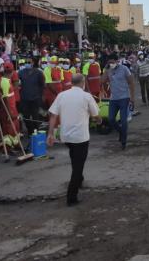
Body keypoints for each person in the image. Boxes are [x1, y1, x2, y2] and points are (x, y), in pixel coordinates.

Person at [47, 74, 101, 206]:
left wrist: (50, 134)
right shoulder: (86, 96)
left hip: (66, 136)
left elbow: (53, 115)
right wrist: (98, 120)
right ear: (83, 83)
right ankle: (71, 197)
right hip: (80, 137)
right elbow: (96, 115)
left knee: (75, 158)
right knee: (78, 165)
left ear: (71, 83)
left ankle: (80, 179)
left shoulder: (61, 95)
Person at [103, 53, 135, 150]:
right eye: (109, 62)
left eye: (112, 62)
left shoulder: (124, 69)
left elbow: (131, 82)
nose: (111, 64)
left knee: (124, 121)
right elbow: (102, 81)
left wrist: (132, 98)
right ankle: (121, 132)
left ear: (117, 61)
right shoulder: (108, 70)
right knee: (111, 119)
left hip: (124, 98)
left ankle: (123, 142)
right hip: (113, 99)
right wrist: (106, 70)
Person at [19, 57, 46, 136]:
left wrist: (42, 96)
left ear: (33, 63)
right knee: (26, 116)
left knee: (35, 116)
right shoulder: (21, 72)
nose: (27, 63)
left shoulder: (38, 72)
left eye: (29, 62)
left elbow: (42, 85)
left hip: (35, 98)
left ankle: (36, 131)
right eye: (26, 62)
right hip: (24, 98)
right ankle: (30, 131)